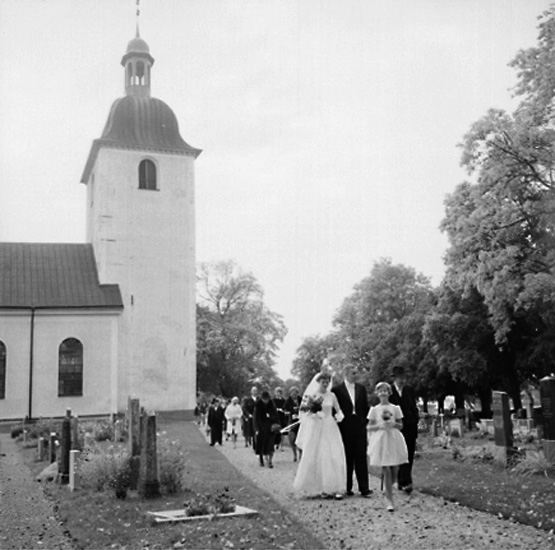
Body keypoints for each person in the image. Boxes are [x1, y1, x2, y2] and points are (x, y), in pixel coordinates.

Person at [293, 372, 346, 499]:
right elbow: (306, 413)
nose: (326, 383)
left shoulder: (332, 395)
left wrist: (339, 417)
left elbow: (338, 410)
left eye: (327, 381)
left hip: (330, 426)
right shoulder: (312, 395)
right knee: (316, 453)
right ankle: (317, 487)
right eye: (323, 381)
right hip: (316, 427)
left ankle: (331, 487)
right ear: (318, 381)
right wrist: (315, 414)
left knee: (332, 454)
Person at [332, 363, 372, 497]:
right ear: (346, 374)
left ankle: (364, 488)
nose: (356, 375)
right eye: (353, 373)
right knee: (347, 457)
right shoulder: (337, 390)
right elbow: (334, 409)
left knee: (361, 456)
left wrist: (365, 421)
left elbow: (365, 406)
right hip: (345, 426)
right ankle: (347, 487)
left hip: (359, 426)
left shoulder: (361, 388)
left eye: (356, 373)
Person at [367, 381, 408, 511]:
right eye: (380, 391)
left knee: (395, 467)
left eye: (385, 390)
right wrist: (380, 426)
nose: (383, 393)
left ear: (389, 393)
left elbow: (401, 425)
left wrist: (393, 424)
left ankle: (389, 485)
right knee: (386, 468)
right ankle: (390, 500)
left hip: (394, 438)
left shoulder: (395, 408)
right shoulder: (374, 410)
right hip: (381, 439)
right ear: (377, 393)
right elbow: (369, 427)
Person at [389, 365, 419, 494]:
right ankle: (404, 480)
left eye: (403, 377)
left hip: (410, 426)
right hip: (397, 427)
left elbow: (413, 406)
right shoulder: (389, 391)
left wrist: (415, 419)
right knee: (400, 453)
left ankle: (405, 480)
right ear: (395, 378)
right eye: (400, 377)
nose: (402, 380)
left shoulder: (409, 390)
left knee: (409, 453)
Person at [254, 390, 280, 467]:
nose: (266, 401)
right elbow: (255, 419)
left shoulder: (272, 405)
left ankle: (270, 461)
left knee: (270, 445)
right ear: (262, 399)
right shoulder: (257, 405)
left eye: (267, 399)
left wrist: (271, 418)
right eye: (264, 399)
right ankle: (261, 459)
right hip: (261, 428)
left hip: (270, 428)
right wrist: (256, 429)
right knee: (261, 445)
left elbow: (276, 416)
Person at [284, 385, 302, 461]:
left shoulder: (300, 399)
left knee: (300, 438)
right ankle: (294, 454)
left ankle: (300, 453)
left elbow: (305, 407)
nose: (294, 395)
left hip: (300, 421)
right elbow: (284, 410)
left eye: (295, 393)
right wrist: (290, 412)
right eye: (292, 393)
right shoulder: (288, 401)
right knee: (292, 439)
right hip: (291, 421)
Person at [273, 387, 287, 451]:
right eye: (277, 392)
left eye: (280, 392)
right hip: (275, 418)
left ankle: (282, 446)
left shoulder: (284, 400)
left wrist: (283, 410)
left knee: (282, 432)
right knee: (275, 431)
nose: (278, 393)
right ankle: (275, 444)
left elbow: (286, 408)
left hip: (282, 417)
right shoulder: (273, 400)